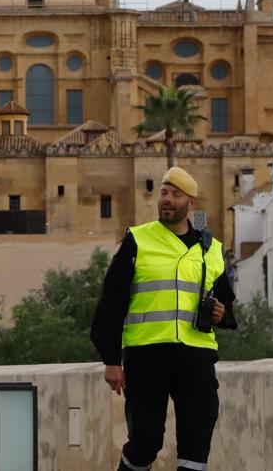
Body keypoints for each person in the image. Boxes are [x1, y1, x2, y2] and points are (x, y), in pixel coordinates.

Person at [90, 167, 237, 471]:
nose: (167, 199)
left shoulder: (212, 250)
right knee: (145, 443)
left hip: (196, 358)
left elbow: (228, 307)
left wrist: (222, 314)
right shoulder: (138, 240)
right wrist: (111, 360)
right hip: (147, 356)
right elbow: (111, 303)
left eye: (176, 194)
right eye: (164, 192)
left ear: (190, 202)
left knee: (196, 448)